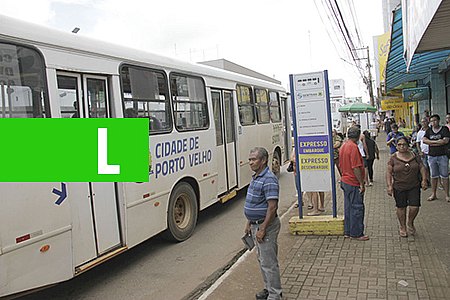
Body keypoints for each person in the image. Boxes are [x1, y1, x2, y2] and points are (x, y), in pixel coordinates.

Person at [244, 147, 282, 300]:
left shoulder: (269, 179)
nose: (250, 162)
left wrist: (262, 229)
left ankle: (275, 295)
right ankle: (268, 288)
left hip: (266, 227)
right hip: (256, 225)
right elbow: (254, 203)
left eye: (254, 159)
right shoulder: (257, 177)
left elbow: (272, 208)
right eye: (250, 159)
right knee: (262, 260)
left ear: (264, 160)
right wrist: (249, 222)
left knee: (269, 263)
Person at [386, 136, 427, 237]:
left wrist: (424, 180)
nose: (402, 147)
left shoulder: (414, 155)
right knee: (401, 207)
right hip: (399, 187)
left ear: (408, 145)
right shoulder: (393, 158)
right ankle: (402, 226)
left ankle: (410, 222)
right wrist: (389, 186)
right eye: (399, 144)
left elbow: (422, 167)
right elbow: (389, 172)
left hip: (414, 185)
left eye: (404, 144)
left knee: (414, 207)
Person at [339, 126, 369, 241]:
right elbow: (356, 167)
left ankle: (348, 231)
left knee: (348, 207)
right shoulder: (353, 147)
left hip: (345, 180)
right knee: (357, 208)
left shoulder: (344, 146)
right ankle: (357, 233)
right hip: (353, 182)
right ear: (358, 136)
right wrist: (361, 183)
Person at [423, 114, 450, 202]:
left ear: (438, 120)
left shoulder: (444, 129)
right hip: (432, 156)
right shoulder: (429, 130)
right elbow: (424, 140)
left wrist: (431, 142)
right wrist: (437, 142)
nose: (433, 122)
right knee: (433, 176)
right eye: (431, 121)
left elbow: (445, 141)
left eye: (435, 120)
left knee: (445, 176)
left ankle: (447, 195)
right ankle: (433, 194)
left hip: (443, 156)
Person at [416, 118, 430, 185]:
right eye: (422, 122)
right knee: (425, 167)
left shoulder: (431, 130)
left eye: (424, 121)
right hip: (423, 153)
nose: (423, 123)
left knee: (432, 168)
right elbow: (418, 143)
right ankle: (427, 181)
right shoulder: (420, 132)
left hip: (432, 152)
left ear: (427, 122)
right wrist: (420, 152)